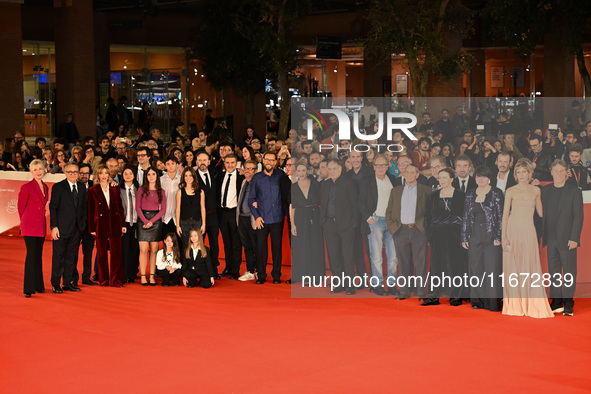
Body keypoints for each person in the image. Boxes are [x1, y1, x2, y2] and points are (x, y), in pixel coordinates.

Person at [501, 159, 553, 318]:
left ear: (529, 173)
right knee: (514, 268)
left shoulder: (536, 191)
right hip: (513, 231)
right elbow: (504, 216)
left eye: (524, 172)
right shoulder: (510, 190)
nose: (521, 175)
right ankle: (516, 304)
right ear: (516, 175)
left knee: (530, 266)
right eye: (519, 172)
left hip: (529, 232)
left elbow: (541, 213)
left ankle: (532, 303)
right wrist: (503, 237)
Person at [541, 160, 584, 317]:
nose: (558, 173)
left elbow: (578, 216)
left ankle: (568, 302)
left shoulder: (574, 191)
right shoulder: (545, 191)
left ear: (566, 173)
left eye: (561, 171)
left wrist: (574, 238)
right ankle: (557, 301)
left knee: (569, 272)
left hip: (567, 240)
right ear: (551, 172)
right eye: (555, 170)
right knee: (554, 273)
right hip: (550, 239)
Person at [461, 166, 504, 311]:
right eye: (478, 176)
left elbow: (500, 217)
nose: (481, 179)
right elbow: (466, 217)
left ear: (489, 178)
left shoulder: (496, 193)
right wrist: (464, 237)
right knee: (476, 268)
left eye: (484, 177)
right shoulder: (470, 194)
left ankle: (492, 303)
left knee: (492, 269)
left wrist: (499, 236)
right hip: (473, 236)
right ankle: (477, 301)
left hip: (491, 236)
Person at [386, 164, 431, 301]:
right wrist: (394, 229)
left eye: (413, 172)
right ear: (403, 174)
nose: (410, 174)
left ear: (417, 175)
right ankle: (404, 291)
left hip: (419, 230)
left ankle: (422, 292)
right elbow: (389, 212)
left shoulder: (426, 190)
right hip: (401, 230)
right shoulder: (396, 191)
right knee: (403, 262)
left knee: (420, 263)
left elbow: (430, 213)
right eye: (407, 172)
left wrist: (425, 230)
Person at [423, 168, 465, 306]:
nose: (442, 180)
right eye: (440, 178)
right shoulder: (433, 196)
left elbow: (465, 217)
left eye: (445, 177)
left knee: (456, 265)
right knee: (435, 265)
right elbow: (428, 216)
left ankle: (456, 297)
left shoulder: (460, 195)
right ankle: (433, 297)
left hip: (455, 234)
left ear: (452, 179)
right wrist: (430, 234)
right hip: (437, 234)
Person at [358, 155, 397, 295]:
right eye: (378, 165)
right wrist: (368, 218)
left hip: (391, 222)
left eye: (383, 165)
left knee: (393, 257)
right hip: (375, 221)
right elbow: (361, 201)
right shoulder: (366, 181)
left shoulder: (393, 180)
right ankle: (377, 284)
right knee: (376, 256)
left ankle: (392, 285)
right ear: (373, 166)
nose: (380, 168)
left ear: (388, 166)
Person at [320, 159, 358, 294]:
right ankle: (339, 284)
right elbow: (323, 203)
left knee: (347, 255)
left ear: (340, 169)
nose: (331, 171)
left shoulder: (349, 183)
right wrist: (323, 221)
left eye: (334, 168)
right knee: (333, 255)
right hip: (329, 224)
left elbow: (354, 204)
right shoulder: (324, 185)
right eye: (329, 169)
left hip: (346, 224)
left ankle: (350, 286)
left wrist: (353, 223)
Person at [49, 162, 87, 293]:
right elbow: (53, 207)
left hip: (77, 229)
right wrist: (54, 226)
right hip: (61, 228)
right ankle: (55, 283)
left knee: (72, 257)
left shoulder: (82, 187)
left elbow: (83, 208)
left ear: (78, 173)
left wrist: (82, 225)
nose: (72, 174)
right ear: (65, 173)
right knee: (58, 256)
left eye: (75, 172)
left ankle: (67, 282)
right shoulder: (58, 187)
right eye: (70, 172)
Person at [249, 151, 286, 284]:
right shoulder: (257, 178)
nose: (269, 162)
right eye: (267, 159)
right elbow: (251, 199)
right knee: (261, 249)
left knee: (277, 248)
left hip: (277, 218)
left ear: (276, 162)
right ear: (263, 161)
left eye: (272, 160)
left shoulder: (280, 175)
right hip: (262, 219)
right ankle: (261, 275)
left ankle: (276, 275)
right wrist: (257, 217)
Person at [87, 165, 126, 287]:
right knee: (102, 254)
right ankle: (103, 280)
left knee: (116, 253)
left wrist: (122, 224)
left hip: (115, 223)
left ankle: (116, 280)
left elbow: (120, 208)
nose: (104, 176)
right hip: (100, 225)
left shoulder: (115, 188)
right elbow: (90, 210)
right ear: (98, 175)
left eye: (106, 173)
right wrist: (92, 228)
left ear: (109, 175)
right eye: (101, 173)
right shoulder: (93, 190)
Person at [18, 159, 49, 298]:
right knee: (31, 256)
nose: (38, 172)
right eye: (35, 169)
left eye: (40, 169)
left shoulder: (46, 187)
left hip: (40, 225)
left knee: (38, 255)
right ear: (31, 172)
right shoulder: (26, 187)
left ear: (44, 170)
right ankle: (28, 288)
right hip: (29, 225)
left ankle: (39, 285)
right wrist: (24, 223)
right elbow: (20, 207)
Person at [291, 160, 324, 285]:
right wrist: (292, 224)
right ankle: (300, 276)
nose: (301, 173)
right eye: (299, 171)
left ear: (308, 171)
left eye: (303, 170)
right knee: (301, 247)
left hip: (314, 216)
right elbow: (292, 207)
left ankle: (315, 277)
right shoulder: (293, 187)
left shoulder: (315, 184)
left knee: (315, 245)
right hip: (299, 217)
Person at [136, 167, 167, 286]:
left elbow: (163, 209)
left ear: (157, 176)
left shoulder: (161, 191)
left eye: (153, 174)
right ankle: (143, 276)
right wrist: (145, 221)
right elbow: (138, 207)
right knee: (143, 250)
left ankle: (152, 276)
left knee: (154, 250)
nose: (151, 176)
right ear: (146, 176)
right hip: (142, 220)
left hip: (156, 221)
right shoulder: (141, 189)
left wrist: (152, 221)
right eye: (149, 174)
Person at [195, 151, 222, 278]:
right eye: (200, 160)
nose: (202, 163)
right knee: (198, 243)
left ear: (209, 161)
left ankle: (213, 270)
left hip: (214, 216)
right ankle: (198, 269)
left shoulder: (215, 174)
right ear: (196, 162)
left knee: (214, 244)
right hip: (198, 217)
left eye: (204, 160)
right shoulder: (192, 177)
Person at [218, 154, 244, 279]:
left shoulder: (241, 177)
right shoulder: (220, 176)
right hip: (223, 213)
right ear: (224, 162)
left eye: (232, 162)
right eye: (227, 162)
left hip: (235, 213)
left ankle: (235, 270)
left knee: (236, 243)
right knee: (226, 243)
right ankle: (228, 268)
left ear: (236, 163)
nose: (230, 165)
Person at [236, 160, 259, 281]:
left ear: (256, 171)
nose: (247, 170)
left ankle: (260, 271)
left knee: (257, 246)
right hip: (242, 218)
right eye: (246, 168)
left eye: (250, 169)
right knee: (247, 246)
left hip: (253, 220)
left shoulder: (259, 183)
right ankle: (250, 271)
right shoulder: (244, 181)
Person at [77, 163, 98, 285]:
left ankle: (86, 277)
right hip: (76, 226)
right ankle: (72, 278)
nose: (84, 175)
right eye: (82, 173)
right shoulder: (74, 186)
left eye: (87, 173)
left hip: (89, 226)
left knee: (88, 253)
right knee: (72, 253)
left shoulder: (93, 186)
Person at [175, 166, 206, 249]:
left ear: (194, 177)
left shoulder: (201, 192)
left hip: (197, 222)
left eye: (190, 175)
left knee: (197, 247)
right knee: (185, 247)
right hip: (184, 223)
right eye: (186, 175)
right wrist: (178, 225)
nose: (188, 178)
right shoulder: (180, 192)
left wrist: (203, 224)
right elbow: (178, 209)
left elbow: (202, 208)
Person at [120, 165, 140, 284]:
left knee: (135, 249)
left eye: (130, 173)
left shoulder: (139, 189)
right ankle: (124, 274)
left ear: (134, 175)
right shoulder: (118, 189)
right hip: (124, 223)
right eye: (125, 173)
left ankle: (133, 274)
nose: (128, 176)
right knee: (124, 249)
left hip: (137, 223)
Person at [160, 156, 181, 240]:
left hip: (178, 217)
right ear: (165, 166)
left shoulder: (182, 180)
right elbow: (159, 198)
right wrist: (160, 214)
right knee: (167, 242)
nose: (170, 166)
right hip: (165, 216)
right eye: (168, 164)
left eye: (173, 163)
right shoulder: (161, 180)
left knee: (180, 243)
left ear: (176, 165)